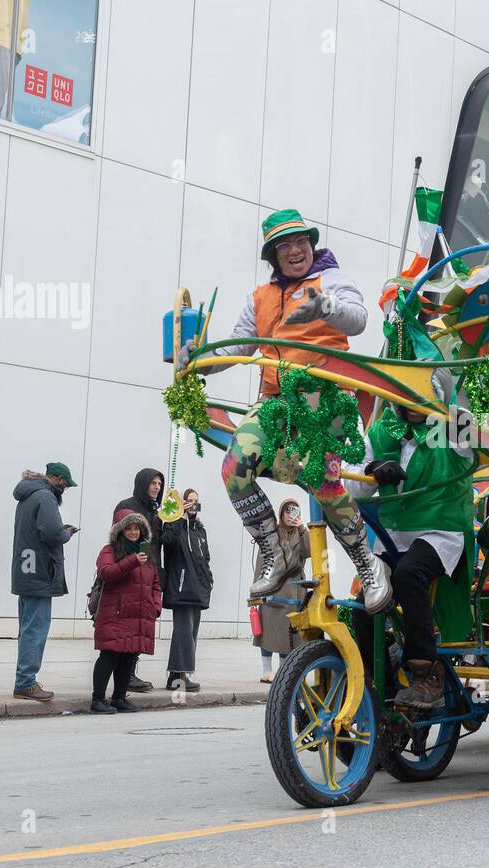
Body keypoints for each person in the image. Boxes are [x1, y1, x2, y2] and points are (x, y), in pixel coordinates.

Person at [182, 209, 390, 613]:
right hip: (275, 401)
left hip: (322, 399)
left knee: (325, 486)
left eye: (301, 243)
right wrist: (199, 360)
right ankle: (275, 553)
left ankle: (368, 566)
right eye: (284, 246)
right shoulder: (259, 298)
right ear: (274, 256)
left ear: (312, 245)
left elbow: (360, 320)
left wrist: (324, 307)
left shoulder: (331, 279)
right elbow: (238, 347)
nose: (295, 251)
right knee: (234, 469)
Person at [348, 401, 474, 710]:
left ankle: (426, 674)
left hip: (440, 531)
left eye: (420, 392)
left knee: (408, 574)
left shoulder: (454, 423)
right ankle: (371, 681)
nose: (413, 400)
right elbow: (352, 488)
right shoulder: (380, 430)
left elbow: (466, 418)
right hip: (394, 536)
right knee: (365, 599)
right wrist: (370, 471)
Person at [11, 463, 78, 701]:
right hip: (40, 573)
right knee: (35, 630)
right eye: (65, 484)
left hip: (25, 572)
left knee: (27, 628)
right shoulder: (45, 497)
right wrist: (67, 533)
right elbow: (52, 534)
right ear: (57, 479)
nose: (65, 489)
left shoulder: (27, 495)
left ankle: (24, 679)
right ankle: (26, 683)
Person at [91, 511, 162, 714]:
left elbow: (156, 583)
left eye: (136, 528)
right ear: (120, 531)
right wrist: (132, 561)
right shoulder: (110, 550)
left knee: (129, 656)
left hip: (139, 613)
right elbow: (107, 573)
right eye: (129, 528)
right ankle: (97, 699)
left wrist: (155, 605)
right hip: (116, 613)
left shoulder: (147, 553)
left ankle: (119, 698)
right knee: (109, 655)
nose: (133, 532)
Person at [112, 468, 165, 693]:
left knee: (141, 626)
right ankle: (124, 675)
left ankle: (128, 673)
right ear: (142, 483)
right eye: (152, 483)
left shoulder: (157, 511)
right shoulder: (128, 506)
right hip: (130, 573)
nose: (156, 487)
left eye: (159, 484)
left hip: (149, 573)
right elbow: (119, 539)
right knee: (127, 626)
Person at [160, 488, 212, 692]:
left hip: (198, 589)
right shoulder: (174, 525)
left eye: (196, 502)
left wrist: (208, 580)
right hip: (181, 588)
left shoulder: (200, 530)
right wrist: (179, 516)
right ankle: (178, 677)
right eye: (189, 501)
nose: (193, 505)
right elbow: (168, 543)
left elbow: (205, 558)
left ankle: (177, 676)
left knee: (191, 632)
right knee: (183, 632)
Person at [255, 498, 310, 682]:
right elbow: (261, 562)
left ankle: (282, 673)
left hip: (294, 592)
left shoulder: (301, 533)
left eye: (293, 511)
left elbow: (310, 552)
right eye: (287, 511)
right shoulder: (271, 534)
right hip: (273, 588)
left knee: (288, 634)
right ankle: (266, 671)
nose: (290, 515)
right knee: (269, 630)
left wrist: (302, 528)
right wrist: (256, 591)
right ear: (281, 514)